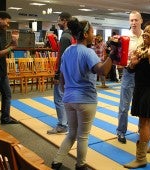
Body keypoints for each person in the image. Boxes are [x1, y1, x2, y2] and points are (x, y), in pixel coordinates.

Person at [51, 17, 114, 170]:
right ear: (85, 34)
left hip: (69, 99)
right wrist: (113, 54)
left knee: (71, 133)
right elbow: (103, 71)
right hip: (86, 100)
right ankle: (80, 165)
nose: (94, 35)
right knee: (83, 136)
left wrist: (67, 94)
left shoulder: (67, 51)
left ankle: (56, 162)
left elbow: (63, 78)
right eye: (92, 31)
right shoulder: (88, 52)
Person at [123, 20, 150, 169]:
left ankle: (141, 158)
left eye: (149, 31)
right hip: (141, 89)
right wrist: (133, 63)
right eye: (145, 31)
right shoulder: (140, 49)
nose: (146, 33)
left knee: (144, 122)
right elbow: (131, 71)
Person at [116, 10, 143, 144]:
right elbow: (119, 56)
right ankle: (121, 132)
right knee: (124, 105)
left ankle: (142, 130)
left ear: (141, 21)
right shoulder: (125, 37)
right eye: (131, 20)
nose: (133, 23)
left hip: (144, 74)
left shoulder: (146, 36)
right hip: (129, 72)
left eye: (135, 20)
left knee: (142, 105)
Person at [47, 12, 73, 134]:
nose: (58, 23)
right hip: (71, 72)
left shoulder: (65, 37)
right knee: (68, 98)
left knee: (59, 98)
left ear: (64, 21)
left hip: (63, 73)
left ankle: (62, 125)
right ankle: (68, 123)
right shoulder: (73, 35)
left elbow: (62, 57)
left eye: (59, 20)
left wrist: (57, 75)